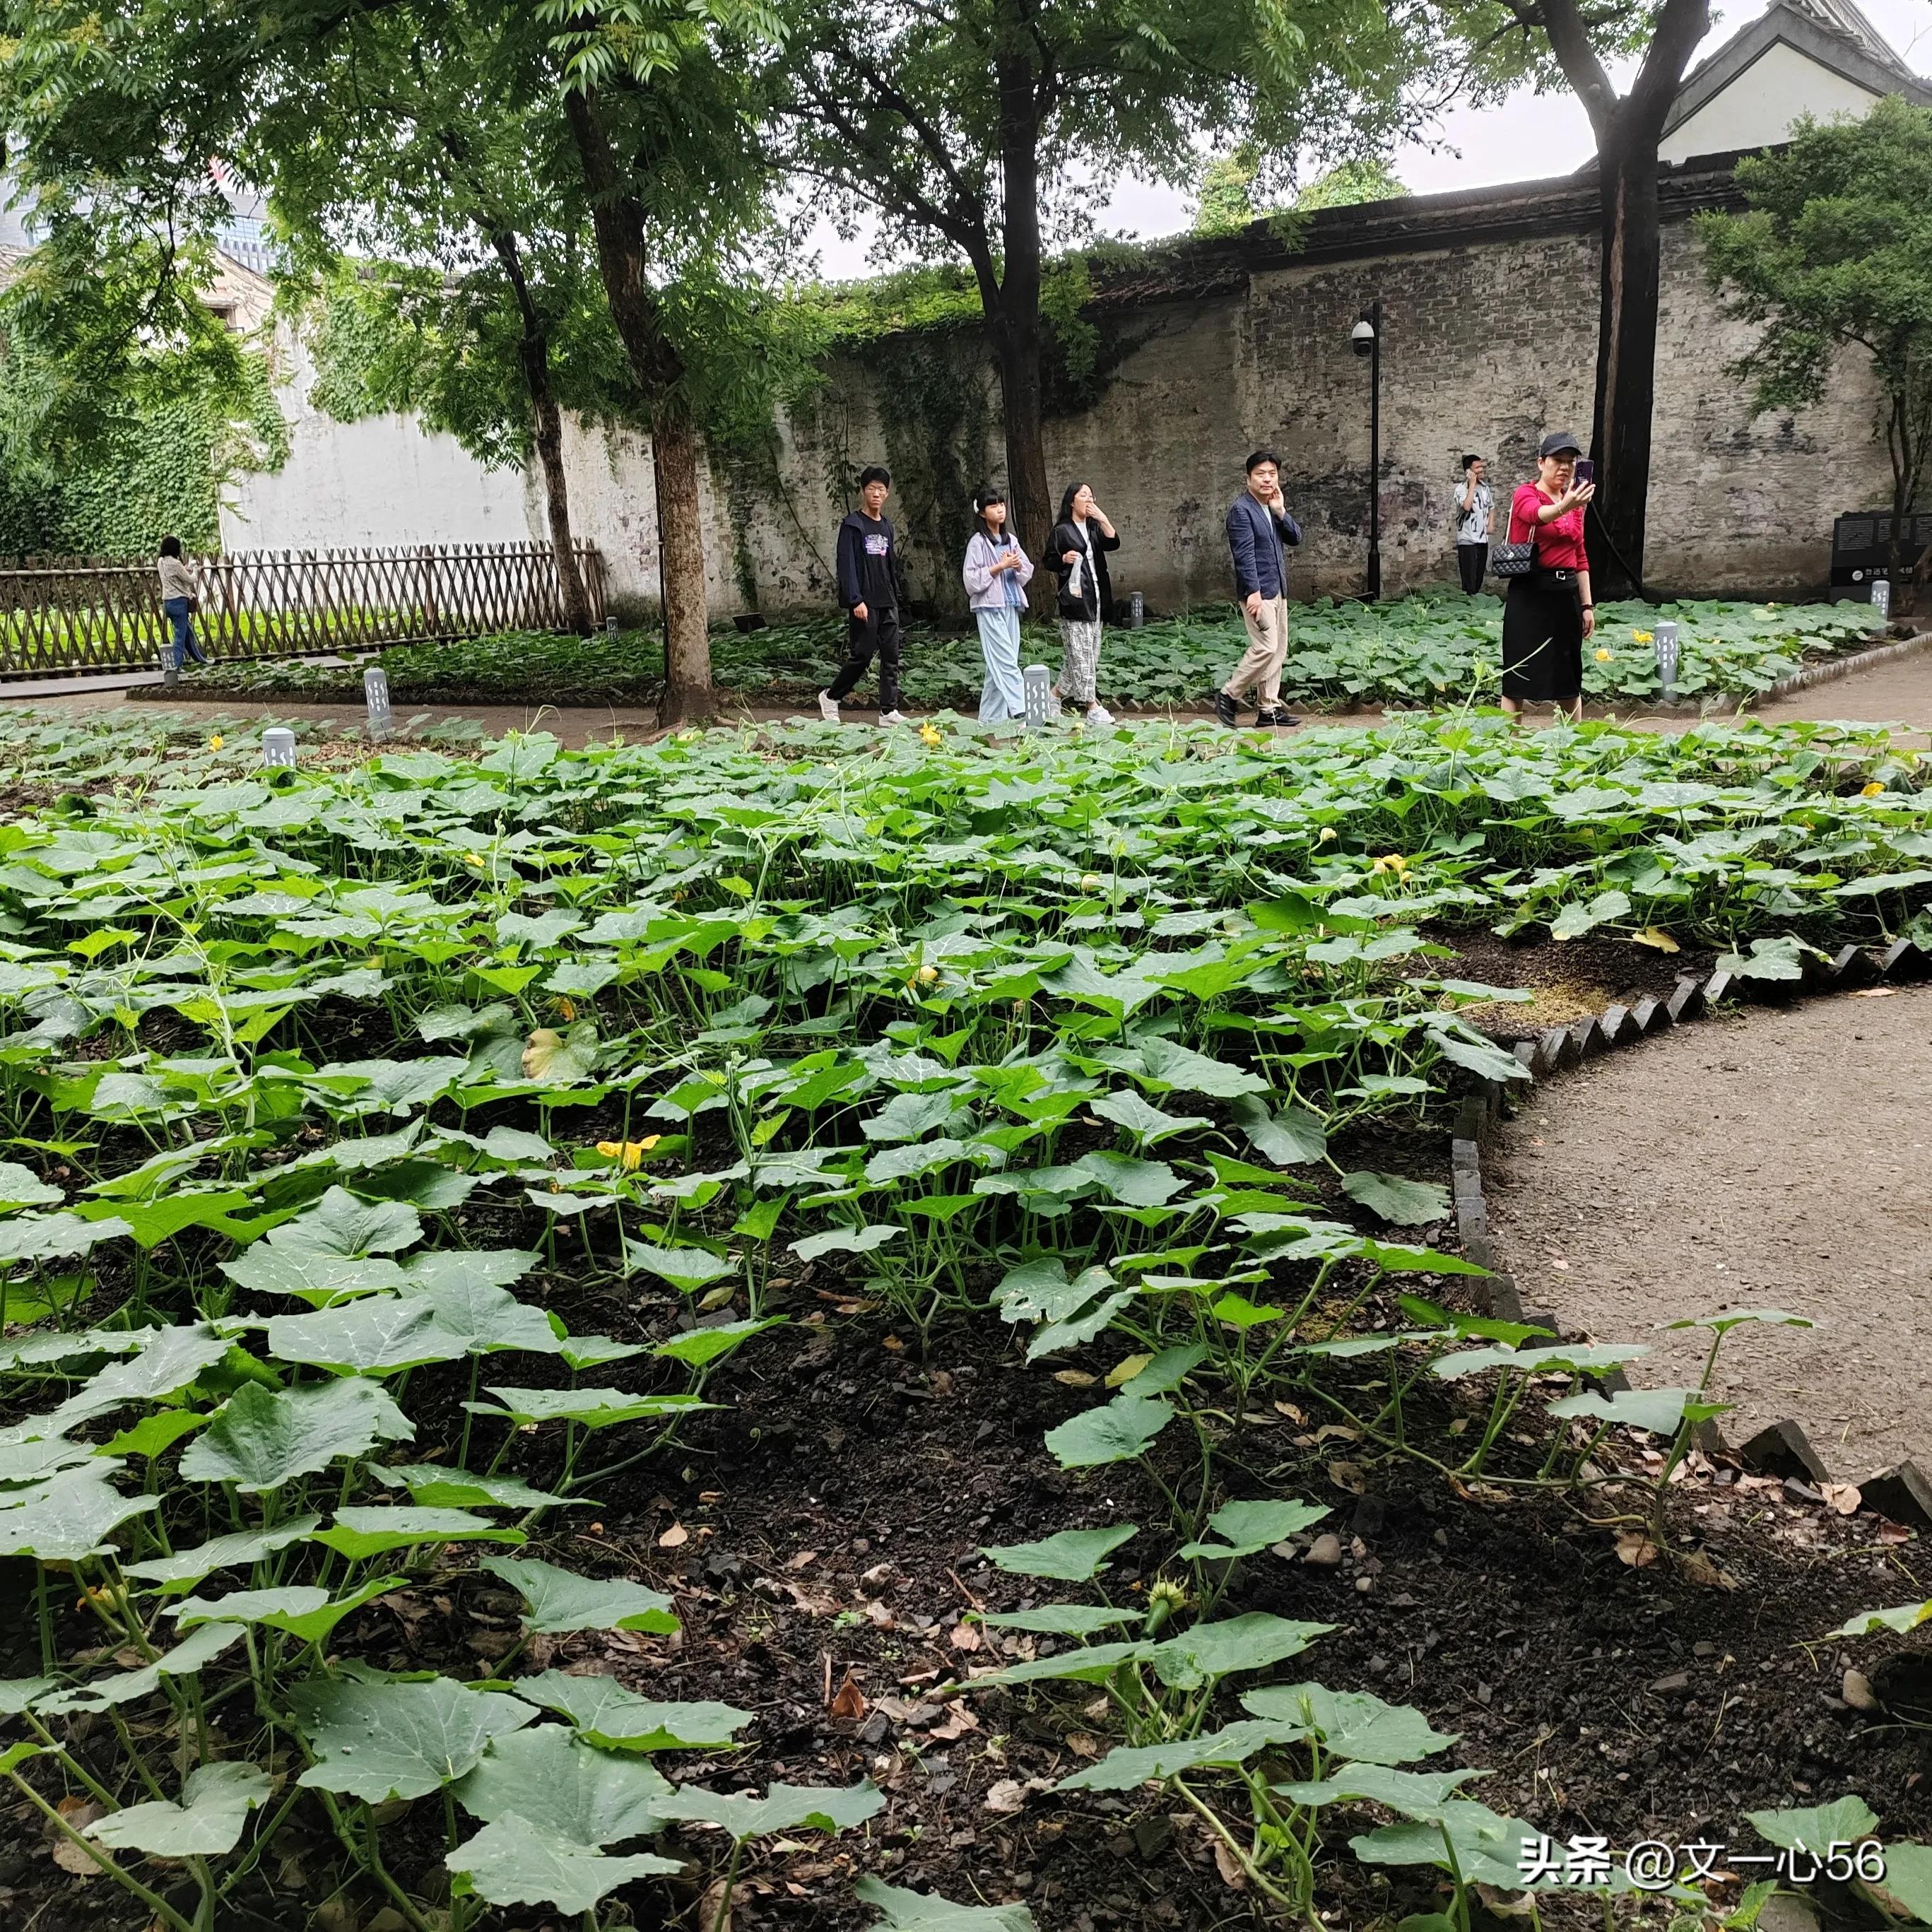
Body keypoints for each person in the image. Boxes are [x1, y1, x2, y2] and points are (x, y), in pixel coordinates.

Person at [1501, 432, 1596, 723]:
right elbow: (1535, 515)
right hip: (1530, 593)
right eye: (1557, 460)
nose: (1564, 468)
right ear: (1541, 463)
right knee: (1517, 676)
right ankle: (1508, 746)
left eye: (1571, 461)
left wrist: (1587, 606)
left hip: (1565, 595)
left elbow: (1580, 556)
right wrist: (1564, 506)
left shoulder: (1575, 503)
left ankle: (1575, 743)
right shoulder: (1525, 494)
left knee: (1568, 676)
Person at [1217, 449, 1302, 729]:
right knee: (1266, 647)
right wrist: (1252, 591)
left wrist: (1281, 512)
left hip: (1278, 589)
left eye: (1272, 474)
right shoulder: (1242, 511)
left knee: (1279, 651)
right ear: (1248, 479)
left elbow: (1295, 538)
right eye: (1260, 474)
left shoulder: (1270, 507)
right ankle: (1229, 695)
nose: (1267, 479)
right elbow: (1244, 555)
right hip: (1259, 593)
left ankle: (1269, 710)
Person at [820, 465, 909, 726]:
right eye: (871, 489)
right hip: (865, 603)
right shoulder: (853, 525)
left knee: (891, 656)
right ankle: (831, 696)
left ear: (887, 494)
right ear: (863, 491)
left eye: (881, 489)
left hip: (887, 601)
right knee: (862, 655)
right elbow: (846, 564)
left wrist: (896, 597)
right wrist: (855, 599)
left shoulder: (887, 527)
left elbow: (890, 564)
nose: (876, 494)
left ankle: (888, 711)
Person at [1047, 481, 1119, 726]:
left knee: (1085, 657)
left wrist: (1103, 519)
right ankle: (1092, 706)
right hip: (1075, 600)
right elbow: (1049, 560)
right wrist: (1064, 558)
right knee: (1081, 655)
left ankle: (1054, 698)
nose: (1089, 500)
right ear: (1071, 501)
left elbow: (1113, 542)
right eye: (1083, 496)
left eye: (1091, 496)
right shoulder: (1062, 530)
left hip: (1097, 597)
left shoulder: (1093, 528)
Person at [962, 485, 1032, 724]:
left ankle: (990, 719)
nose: (1000, 510)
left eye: (1001, 504)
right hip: (989, 608)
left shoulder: (1010, 540)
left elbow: (1026, 570)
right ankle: (1023, 710)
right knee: (1004, 660)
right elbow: (971, 580)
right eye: (993, 505)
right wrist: (999, 567)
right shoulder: (978, 543)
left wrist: (1016, 566)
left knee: (1000, 664)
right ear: (982, 513)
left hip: (1011, 604)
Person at [157, 536, 208, 684]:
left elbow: (172, 576)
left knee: (187, 632)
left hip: (167, 602)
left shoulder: (161, 562)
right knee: (180, 635)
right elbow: (191, 580)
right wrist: (196, 571)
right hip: (179, 602)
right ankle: (176, 666)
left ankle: (201, 659)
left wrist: (183, 570)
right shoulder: (176, 563)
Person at [1454, 454, 1494, 594]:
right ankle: (1468, 607)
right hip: (1467, 539)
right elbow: (1466, 506)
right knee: (1469, 579)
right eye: (1477, 467)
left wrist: (1491, 524)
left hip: (1482, 538)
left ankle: (1475, 606)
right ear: (1468, 471)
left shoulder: (1485, 488)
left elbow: (1491, 506)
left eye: (1482, 466)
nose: (1482, 469)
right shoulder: (1460, 489)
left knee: (1479, 577)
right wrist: (1471, 486)